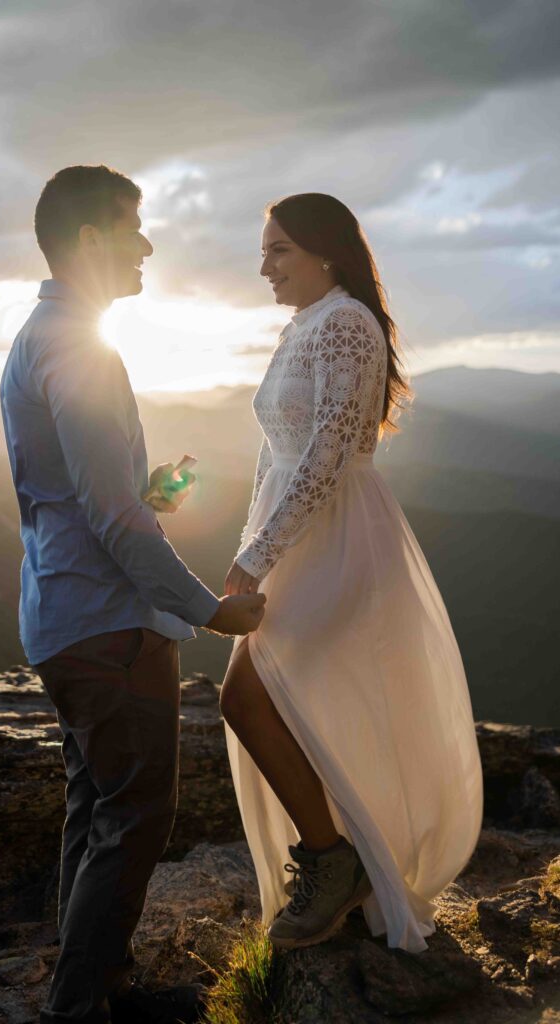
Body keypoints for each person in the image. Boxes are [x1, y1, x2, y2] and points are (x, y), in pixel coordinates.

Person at [0, 164, 266, 1024]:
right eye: (132, 225)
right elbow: (112, 523)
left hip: (61, 614)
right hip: (107, 626)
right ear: (88, 241)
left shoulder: (38, 336)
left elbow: (83, 499)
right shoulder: (78, 343)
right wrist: (209, 609)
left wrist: (143, 493)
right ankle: (80, 1005)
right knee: (135, 814)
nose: (147, 243)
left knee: (98, 809)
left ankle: (93, 990)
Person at [220, 192, 483, 955]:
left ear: (324, 253)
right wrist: (250, 543)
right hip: (294, 539)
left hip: (337, 539)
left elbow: (330, 452)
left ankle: (332, 858)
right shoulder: (301, 325)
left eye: (278, 251)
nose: (263, 266)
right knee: (292, 699)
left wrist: (260, 554)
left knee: (247, 697)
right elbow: (275, 456)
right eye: (264, 251)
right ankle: (344, 855)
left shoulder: (345, 323)